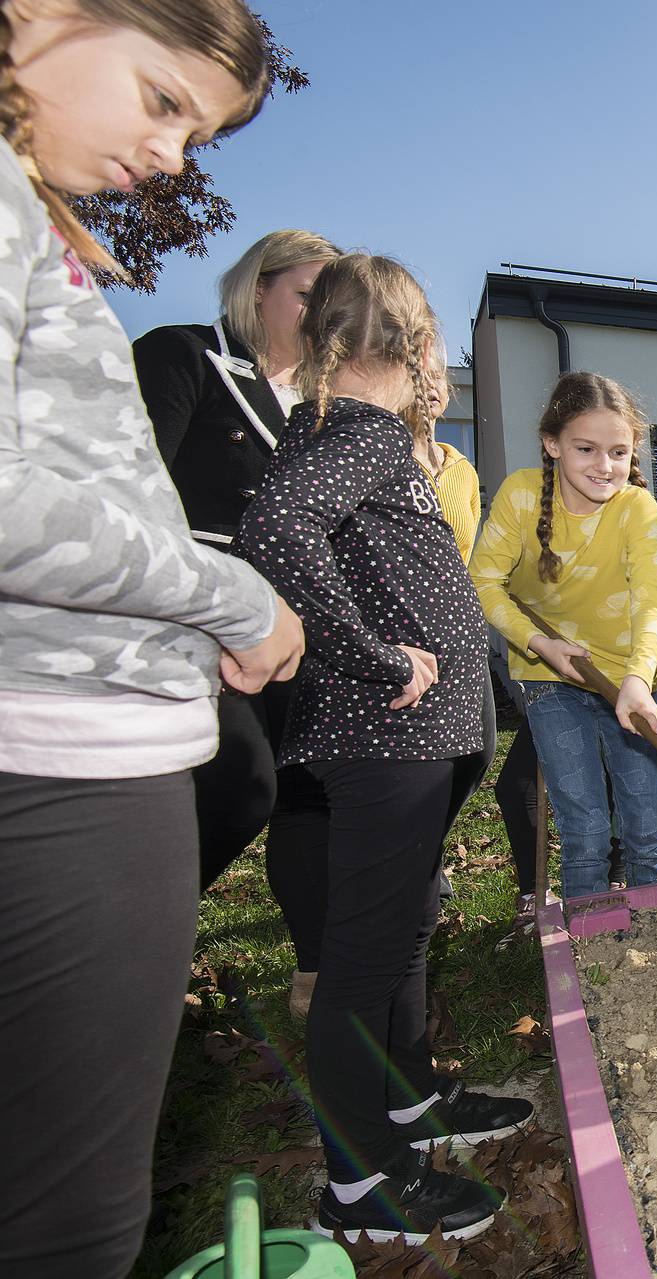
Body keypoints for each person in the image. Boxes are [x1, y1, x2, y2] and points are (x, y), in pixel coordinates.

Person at [0, 8, 303, 1271]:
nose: (177, 156)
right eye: (165, 99)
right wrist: (227, 598)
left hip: (109, 709)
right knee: (70, 1215)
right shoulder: (184, 352)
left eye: (200, 130)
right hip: (66, 731)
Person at [238, 253, 527, 1244]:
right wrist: (365, 653)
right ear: (412, 342)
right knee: (363, 957)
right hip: (387, 735)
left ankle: (404, 1110)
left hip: (422, 738)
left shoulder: (349, 434)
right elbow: (275, 529)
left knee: (403, 930)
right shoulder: (353, 428)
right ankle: (363, 1188)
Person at [133, 227, 340, 893]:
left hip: (289, 639)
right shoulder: (181, 355)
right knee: (240, 786)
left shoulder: (323, 413)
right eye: (307, 295)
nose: (322, 317)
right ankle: (120, 937)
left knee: (307, 792)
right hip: (185, 624)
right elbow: (132, 498)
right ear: (259, 288)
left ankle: (318, 974)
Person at [469, 371, 657, 898]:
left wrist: (638, 679)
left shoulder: (635, 507)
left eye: (619, 451)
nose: (604, 466)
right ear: (552, 443)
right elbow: (483, 581)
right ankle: (589, 955)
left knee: (646, 828)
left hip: (627, 679)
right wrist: (540, 645)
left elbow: (652, 600)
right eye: (586, 448)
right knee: (585, 830)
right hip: (549, 674)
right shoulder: (519, 495)